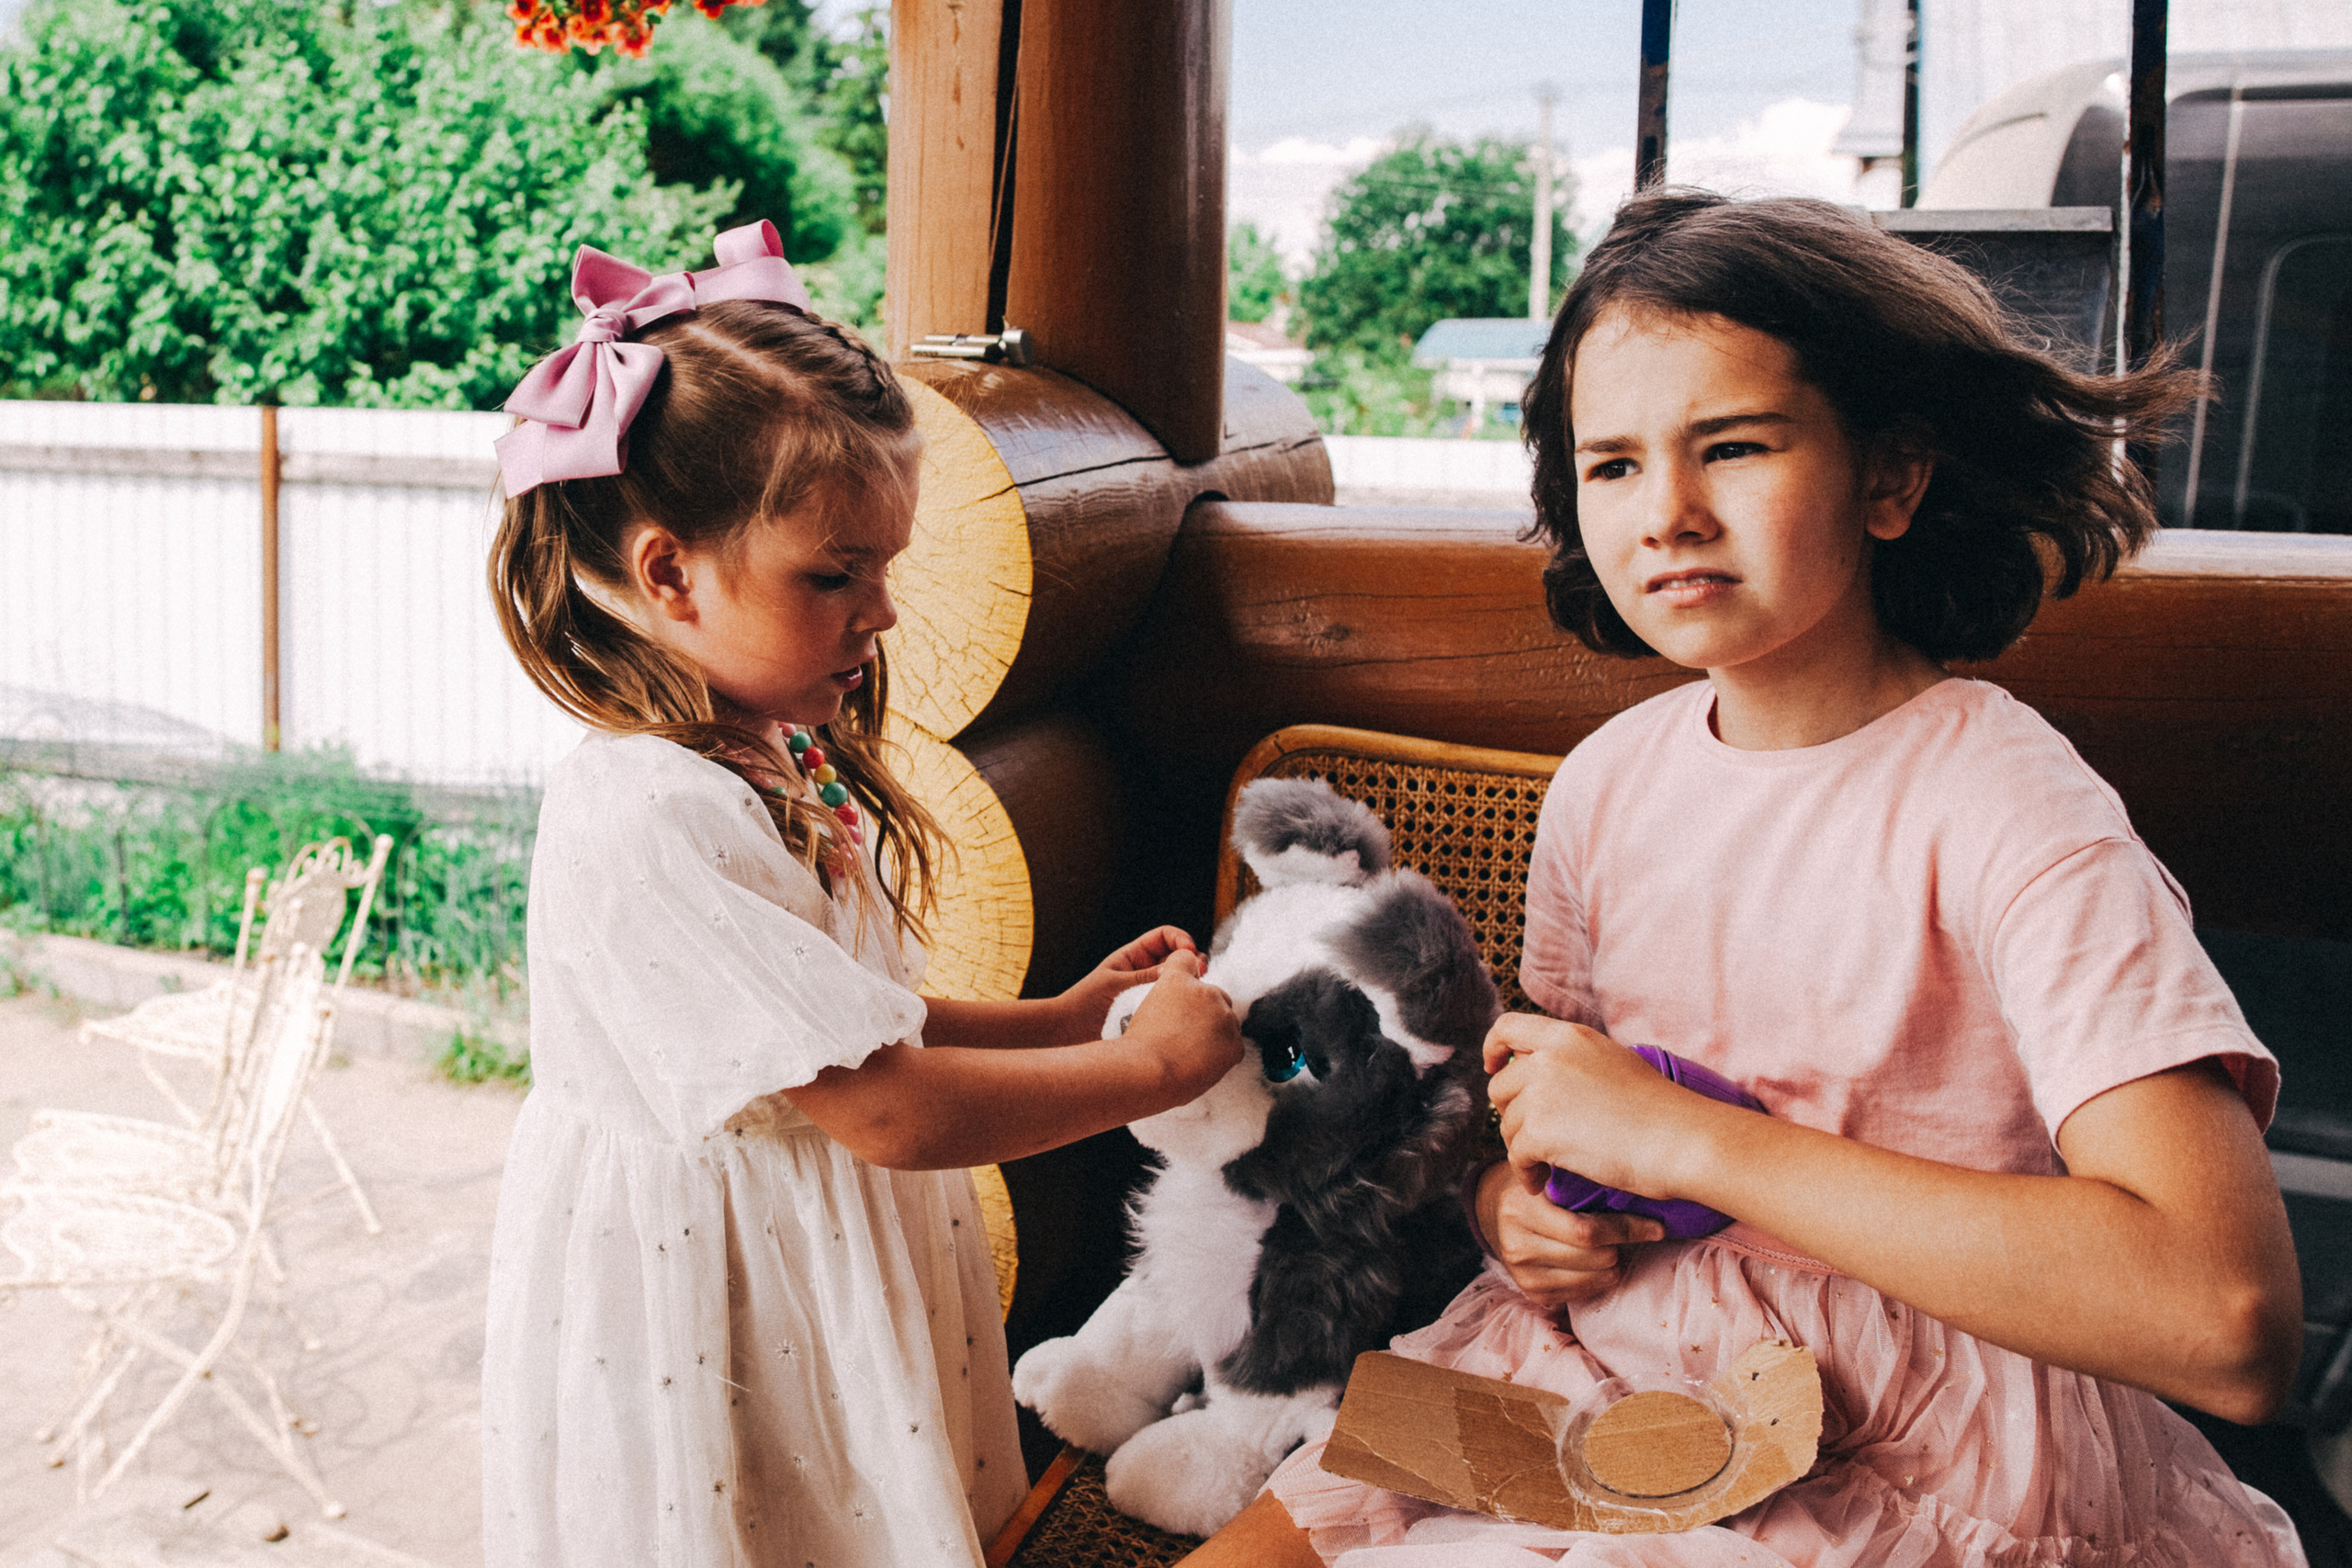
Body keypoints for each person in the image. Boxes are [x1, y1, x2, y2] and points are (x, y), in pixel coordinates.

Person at [1186, 189, 2305, 1566]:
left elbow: (2227, 1317)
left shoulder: (2017, 815)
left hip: (1909, 1442)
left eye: (1732, 447)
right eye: (1612, 465)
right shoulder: (1608, 781)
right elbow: (1548, 1120)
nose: (1668, 514)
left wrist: (1690, 1141)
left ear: (1891, 479)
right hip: (1591, 1365)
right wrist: (1511, 1209)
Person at [477, 221, 1242, 1568]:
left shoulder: (771, 751)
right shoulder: (650, 812)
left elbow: (855, 1023)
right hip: (704, 1298)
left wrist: (1062, 1018)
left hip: (799, 1257)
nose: (880, 612)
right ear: (669, 574)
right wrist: (1148, 1076)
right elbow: (887, 1108)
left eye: (887, 567)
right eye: (836, 575)